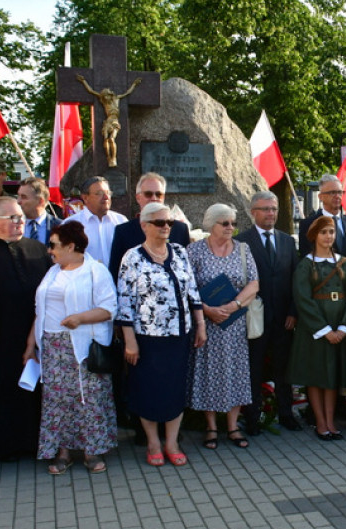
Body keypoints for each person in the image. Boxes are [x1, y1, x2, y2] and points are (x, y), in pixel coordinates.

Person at [116, 202, 205, 467]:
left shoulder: (179, 251)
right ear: (144, 225)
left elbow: (193, 291)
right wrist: (129, 340)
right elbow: (124, 301)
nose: (166, 227)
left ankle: (172, 442)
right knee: (149, 390)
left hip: (179, 335)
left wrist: (200, 324)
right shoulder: (132, 257)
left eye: (169, 222)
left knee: (175, 389)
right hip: (147, 338)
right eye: (159, 222)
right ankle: (153, 443)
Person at [26, 221, 117, 474]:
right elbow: (39, 311)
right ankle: (62, 452)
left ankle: (92, 451)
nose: (49, 250)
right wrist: (30, 344)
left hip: (84, 346)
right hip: (53, 346)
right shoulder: (53, 272)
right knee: (58, 401)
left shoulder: (95, 271)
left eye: (53, 245)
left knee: (88, 399)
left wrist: (80, 318)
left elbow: (109, 308)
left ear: (70, 246)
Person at [0, 196, 50, 460]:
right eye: (13, 218)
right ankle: (3, 447)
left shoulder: (38, 249)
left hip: (34, 333)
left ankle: (33, 442)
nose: (21, 222)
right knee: (0, 389)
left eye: (21, 216)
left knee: (33, 391)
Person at [187, 204, 260, 450]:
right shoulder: (194, 250)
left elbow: (254, 284)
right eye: (225, 223)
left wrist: (234, 305)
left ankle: (232, 425)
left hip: (234, 325)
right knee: (209, 374)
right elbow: (188, 287)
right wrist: (207, 310)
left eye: (233, 223)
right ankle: (211, 426)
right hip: (205, 325)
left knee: (236, 374)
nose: (231, 227)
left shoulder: (242, 249)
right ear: (211, 225)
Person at [237, 191, 303, 435]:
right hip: (255, 318)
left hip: (284, 319)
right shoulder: (242, 242)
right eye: (265, 209)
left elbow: (295, 279)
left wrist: (293, 312)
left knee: (283, 370)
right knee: (253, 369)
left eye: (273, 209)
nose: (271, 213)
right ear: (253, 212)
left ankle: (286, 414)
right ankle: (253, 417)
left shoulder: (287, 241)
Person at [289, 215, 346, 440]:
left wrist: (343, 328)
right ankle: (320, 422)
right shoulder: (306, 265)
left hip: (340, 329)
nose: (328, 236)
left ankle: (331, 420)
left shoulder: (345, 264)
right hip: (315, 332)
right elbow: (303, 300)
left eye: (331, 232)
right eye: (324, 232)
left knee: (332, 378)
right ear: (314, 236)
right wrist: (324, 330)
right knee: (316, 376)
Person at [108, 173, 189, 280]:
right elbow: (115, 272)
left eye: (158, 194)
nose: (154, 198)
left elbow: (187, 270)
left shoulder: (180, 229)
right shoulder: (123, 231)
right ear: (138, 198)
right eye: (148, 194)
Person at [63, 176, 127, 267]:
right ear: (85, 198)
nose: (106, 197)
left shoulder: (121, 221)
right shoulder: (70, 225)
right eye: (99, 193)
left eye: (108, 193)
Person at [298, 174, 346, 263]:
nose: (337, 196)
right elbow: (306, 257)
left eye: (340, 192)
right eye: (332, 192)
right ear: (320, 197)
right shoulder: (308, 224)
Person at [17, 177, 63, 246]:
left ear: (40, 201)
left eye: (24, 197)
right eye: (18, 196)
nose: (18, 201)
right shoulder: (12, 225)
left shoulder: (60, 227)